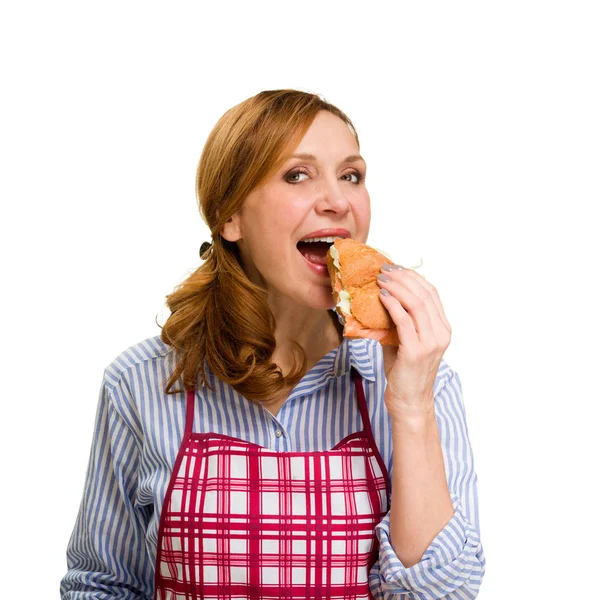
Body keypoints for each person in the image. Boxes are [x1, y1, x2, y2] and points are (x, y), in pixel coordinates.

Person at [60, 89, 486, 599]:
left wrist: (411, 407)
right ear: (231, 216)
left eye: (351, 175)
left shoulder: (421, 382)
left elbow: (445, 595)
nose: (338, 200)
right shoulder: (140, 382)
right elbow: (101, 585)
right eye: (298, 175)